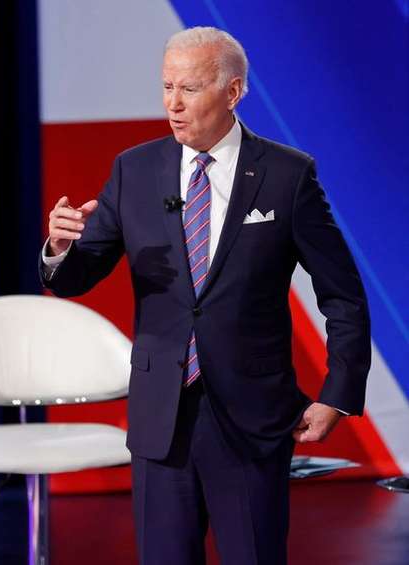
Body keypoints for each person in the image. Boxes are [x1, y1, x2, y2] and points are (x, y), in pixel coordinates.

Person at [39, 27, 370, 565]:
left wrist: (337, 392)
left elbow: (343, 294)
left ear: (233, 91)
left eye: (189, 89)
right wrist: (58, 247)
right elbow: (75, 277)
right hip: (160, 418)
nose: (172, 104)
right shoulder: (134, 170)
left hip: (252, 416)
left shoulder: (288, 175)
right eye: (166, 86)